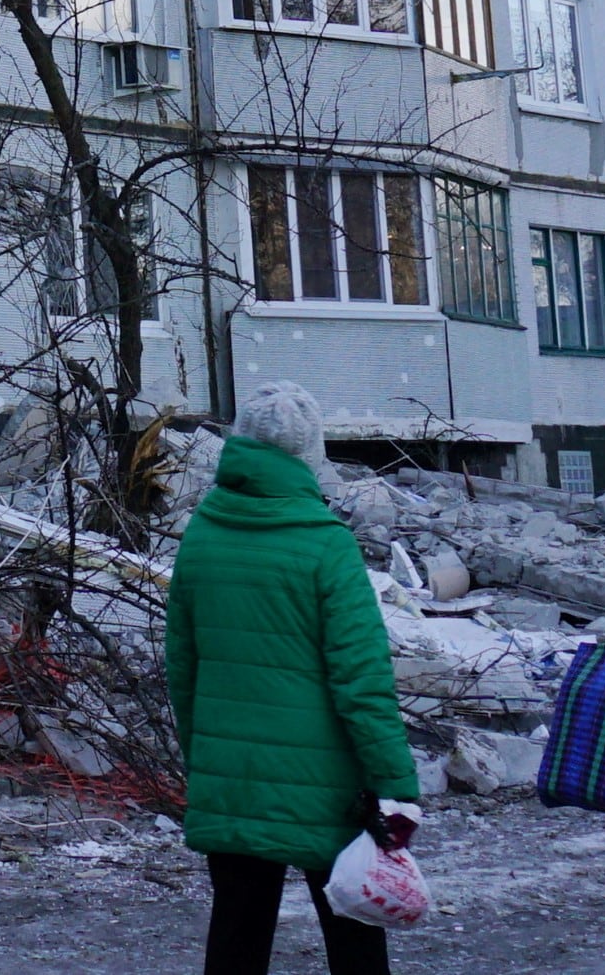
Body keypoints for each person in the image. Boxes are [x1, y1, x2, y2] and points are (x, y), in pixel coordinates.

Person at [166, 399, 426, 975]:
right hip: (327, 790)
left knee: (236, 937)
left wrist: (204, 760)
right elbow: (362, 682)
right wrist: (395, 787)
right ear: (310, 454)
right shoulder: (325, 544)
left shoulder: (202, 535)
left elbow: (182, 669)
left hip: (232, 777)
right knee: (355, 938)